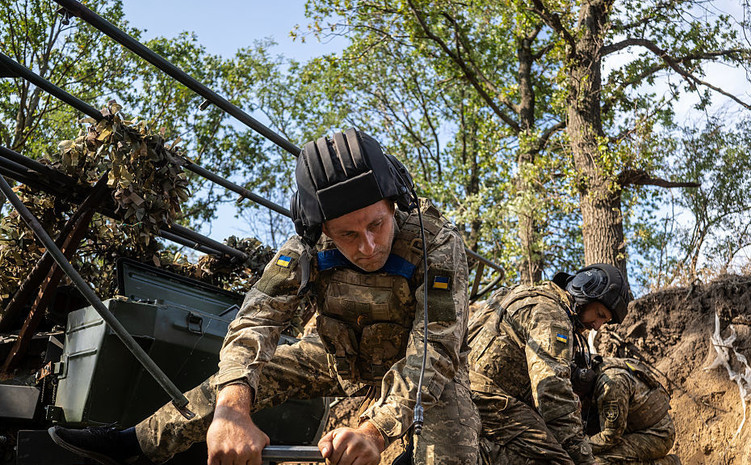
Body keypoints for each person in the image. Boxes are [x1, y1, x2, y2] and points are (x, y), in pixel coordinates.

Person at [49, 128, 480, 465]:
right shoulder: (307, 247)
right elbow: (256, 320)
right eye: (348, 234)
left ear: (395, 202)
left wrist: (377, 428)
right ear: (321, 230)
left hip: (422, 372)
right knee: (237, 380)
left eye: (377, 225)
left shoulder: (436, 243)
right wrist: (232, 411)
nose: (368, 246)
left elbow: (435, 350)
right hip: (335, 357)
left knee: (450, 447)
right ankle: (136, 445)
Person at [468, 264, 631, 465]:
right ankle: (473, 456)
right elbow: (551, 392)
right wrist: (581, 455)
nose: (597, 326)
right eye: (599, 314)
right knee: (558, 460)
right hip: (488, 399)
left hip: (469, 391)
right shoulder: (553, 315)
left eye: (604, 322)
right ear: (584, 291)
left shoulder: (524, 293)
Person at [578, 357, 680, 465]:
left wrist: (578, 448)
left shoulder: (611, 383)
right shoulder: (589, 367)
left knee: (594, 461)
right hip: (630, 430)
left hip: (656, 434)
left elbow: (611, 435)